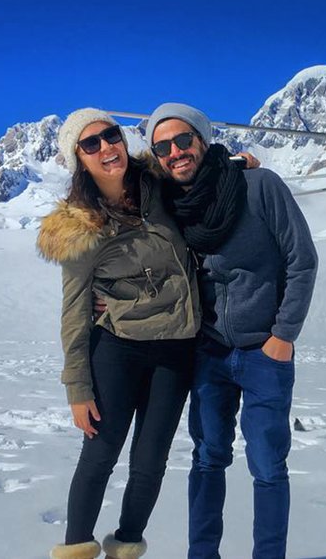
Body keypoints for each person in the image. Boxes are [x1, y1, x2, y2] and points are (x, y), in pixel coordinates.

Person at [145, 103, 318, 559]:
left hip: (266, 350)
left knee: (266, 464)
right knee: (207, 458)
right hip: (210, 351)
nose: (175, 152)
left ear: (202, 139)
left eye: (184, 140)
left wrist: (284, 335)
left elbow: (302, 260)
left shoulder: (259, 186)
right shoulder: (172, 204)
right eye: (162, 147)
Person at [38, 108, 201, 559]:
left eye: (110, 135)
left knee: (151, 461)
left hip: (176, 348)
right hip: (117, 350)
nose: (106, 147)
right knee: (101, 453)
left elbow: (201, 174)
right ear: (79, 160)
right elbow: (74, 309)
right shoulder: (80, 227)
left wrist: (239, 165)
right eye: (92, 144)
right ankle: (77, 549)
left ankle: (127, 546)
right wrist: (77, 387)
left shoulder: (158, 184)